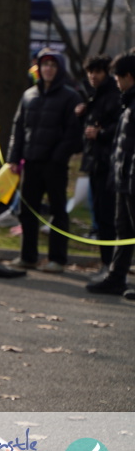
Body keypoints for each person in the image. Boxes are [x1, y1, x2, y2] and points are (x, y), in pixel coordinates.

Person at [6, 48, 83, 273]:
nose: (48, 69)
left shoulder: (70, 97)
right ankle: (28, 256)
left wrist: (58, 157)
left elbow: (73, 133)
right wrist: (14, 157)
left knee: (58, 211)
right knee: (27, 210)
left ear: (60, 69)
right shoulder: (29, 95)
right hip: (31, 162)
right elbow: (18, 128)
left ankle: (57, 259)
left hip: (55, 165)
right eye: (45, 64)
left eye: (53, 65)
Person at [87, 53, 135, 298]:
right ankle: (116, 278)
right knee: (123, 230)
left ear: (129, 77)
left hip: (131, 179)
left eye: (118, 76)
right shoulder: (128, 102)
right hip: (123, 178)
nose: (116, 81)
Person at [75, 56, 121, 279]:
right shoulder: (93, 96)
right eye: (90, 72)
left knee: (108, 217)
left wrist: (100, 133)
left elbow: (118, 128)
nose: (93, 76)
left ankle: (110, 265)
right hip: (95, 163)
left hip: (107, 165)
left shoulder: (113, 95)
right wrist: (82, 117)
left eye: (98, 72)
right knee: (100, 216)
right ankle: (106, 263)